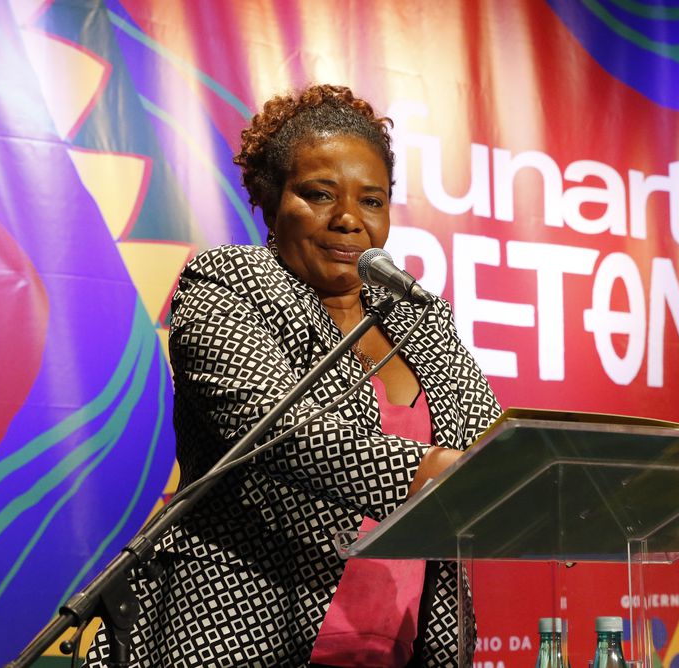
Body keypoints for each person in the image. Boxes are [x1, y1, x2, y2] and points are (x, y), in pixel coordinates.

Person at [85, 84, 501, 667]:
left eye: (373, 201)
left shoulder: (422, 320)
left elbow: (491, 450)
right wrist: (431, 469)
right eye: (319, 194)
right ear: (270, 198)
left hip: (404, 646)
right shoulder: (231, 285)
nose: (350, 219)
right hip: (249, 632)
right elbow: (280, 433)